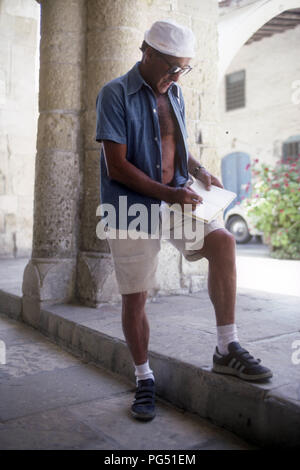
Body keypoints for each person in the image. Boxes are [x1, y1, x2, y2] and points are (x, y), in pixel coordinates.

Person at [95, 19, 272, 422]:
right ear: (148, 52)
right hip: (130, 205)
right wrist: (172, 194)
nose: (177, 75)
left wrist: (199, 169)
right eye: (172, 66)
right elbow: (117, 166)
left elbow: (172, 143)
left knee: (223, 241)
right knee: (136, 295)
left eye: (184, 68)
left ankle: (226, 347)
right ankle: (144, 379)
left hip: (176, 196)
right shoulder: (114, 94)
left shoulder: (174, 92)